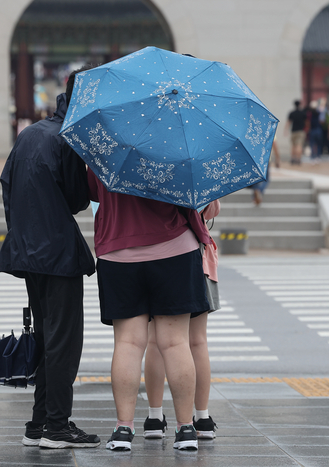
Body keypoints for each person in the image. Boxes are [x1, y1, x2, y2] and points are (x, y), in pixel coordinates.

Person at [0, 66, 100, 449]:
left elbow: (8, 186)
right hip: (57, 253)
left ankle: (39, 423)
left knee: (45, 337)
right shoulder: (68, 139)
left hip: (28, 251)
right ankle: (57, 426)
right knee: (64, 342)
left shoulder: (32, 133)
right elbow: (77, 200)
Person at [89, 166, 213, 452]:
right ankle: (186, 429)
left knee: (128, 343)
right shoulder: (175, 145)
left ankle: (123, 428)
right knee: (175, 343)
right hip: (174, 251)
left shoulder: (105, 146)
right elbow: (196, 199)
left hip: (117, 252)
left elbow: (93, 193)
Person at [143, 201, 221, 441]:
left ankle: (154, 417)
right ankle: (202, 418)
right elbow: (211, 210)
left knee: (155, 341)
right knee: (197, 341)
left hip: (150, 254)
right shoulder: (193, 165)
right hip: (196, 256)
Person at [284, 100, 307, 165]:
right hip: (300, 131)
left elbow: (288, 122)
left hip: (293, 131)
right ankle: (298, 159)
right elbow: (306, 122)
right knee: (299, 145)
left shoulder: (292, 113)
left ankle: (293, 158)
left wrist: (286, 130)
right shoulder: (303, 113)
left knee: (293, 146)